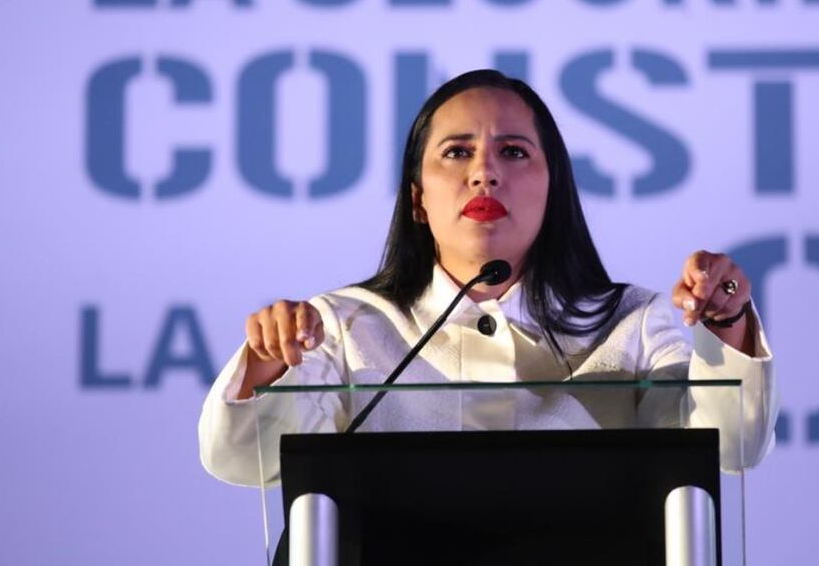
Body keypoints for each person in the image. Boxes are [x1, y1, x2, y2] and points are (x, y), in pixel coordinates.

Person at [199, 69, 778, 490]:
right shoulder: (344, 325)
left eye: (513, 151)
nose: (484, 173)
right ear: (418, 200)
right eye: (456, 152)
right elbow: (240, 460)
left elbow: (729, 446)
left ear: (553, 190)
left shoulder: (635, 322)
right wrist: (268, 365)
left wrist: (724, 325)